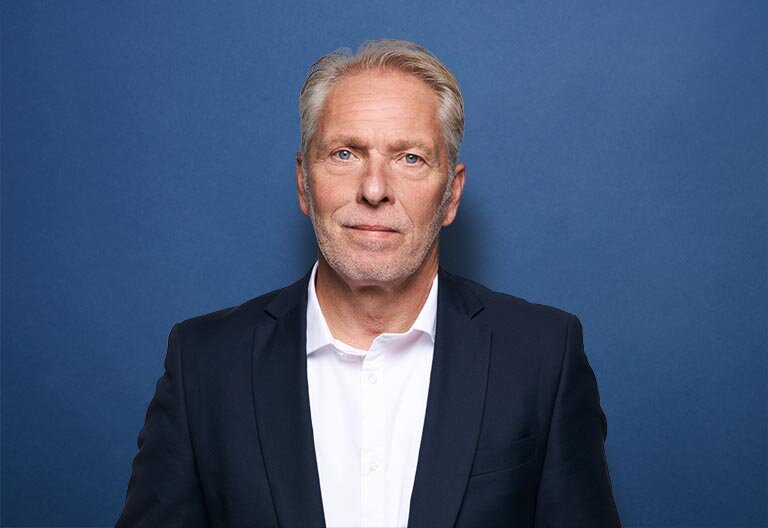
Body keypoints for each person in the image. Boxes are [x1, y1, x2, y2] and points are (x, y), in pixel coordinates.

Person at [116, 39, 621, 527]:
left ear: (451, 195)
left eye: (410, 158)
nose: (374, 189)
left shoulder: (543, 358)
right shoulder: (204, 364)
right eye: (345, 153)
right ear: (303, 183)